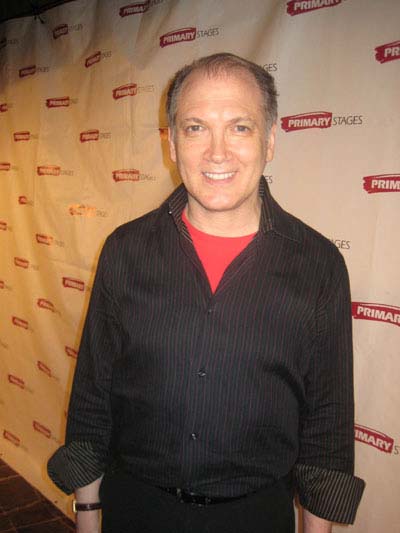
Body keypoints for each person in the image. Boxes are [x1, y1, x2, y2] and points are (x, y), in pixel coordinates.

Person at [48, 53, 365, 533]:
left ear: (271, 139)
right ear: (172, 143)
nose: (217, 153)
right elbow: (93, 401)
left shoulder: (319, 266)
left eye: (239, 127)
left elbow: (327, 428)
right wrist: (88, 515)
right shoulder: (125, 251)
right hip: (136, 511)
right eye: (196, 128)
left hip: (255, 518)